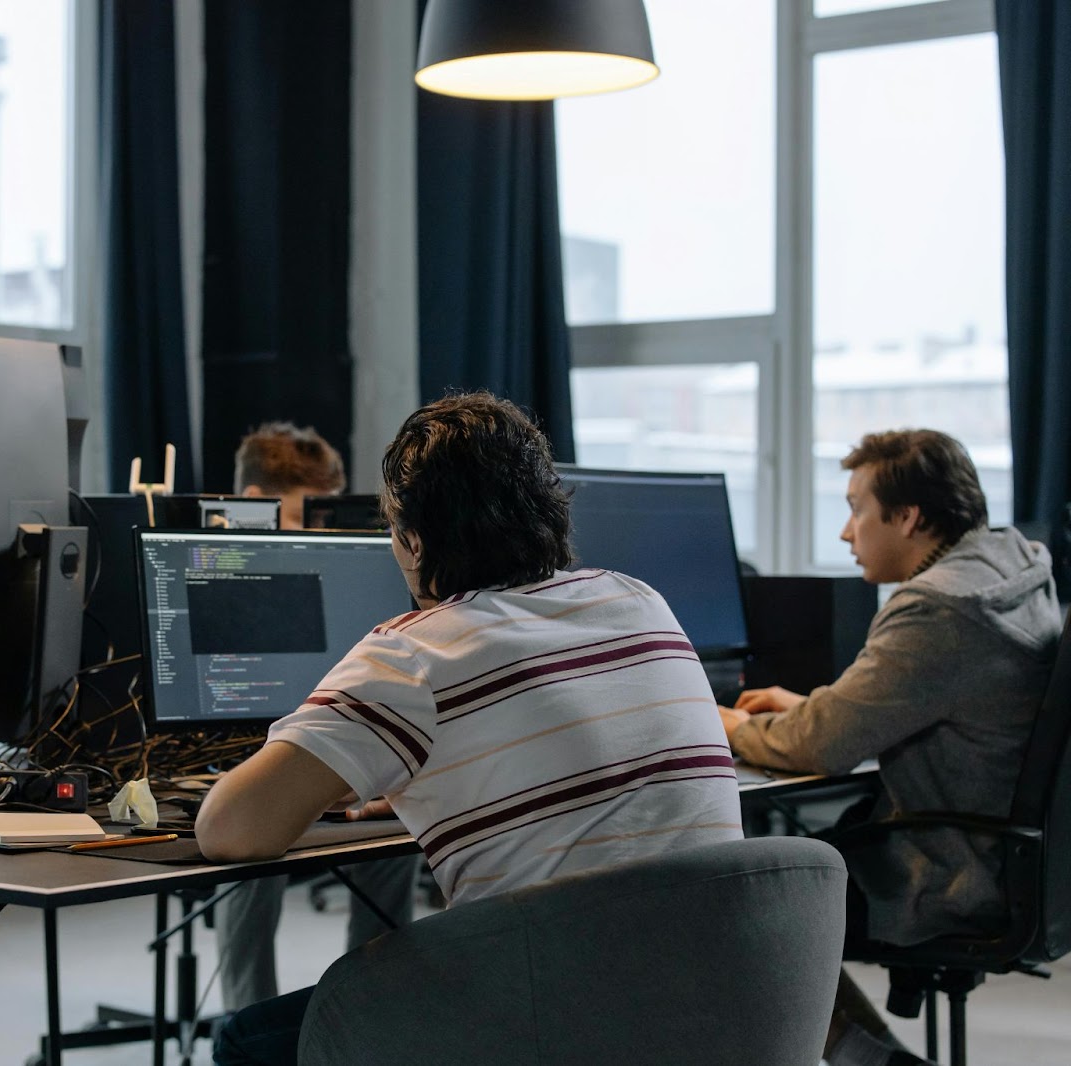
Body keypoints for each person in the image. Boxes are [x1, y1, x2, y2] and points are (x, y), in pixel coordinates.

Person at [200, 394, 742, 1064]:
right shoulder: (640, 600)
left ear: (414, 540)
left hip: (552, 1019)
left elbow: (229, 828)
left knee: (247, 1041)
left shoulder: (414, 655)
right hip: (713, 1005)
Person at [721, 428, 1060, 1066]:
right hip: (1011, 858)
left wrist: (723, 723)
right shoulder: (1011, 568)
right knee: (778, 883)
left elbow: (821, 748)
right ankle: (876, 1056)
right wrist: (811, 707)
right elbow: (940, 700)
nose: (847, 533)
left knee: (741, 897)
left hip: (948, 871)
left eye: (856, 510)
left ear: (907, 518)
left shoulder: (939, 609)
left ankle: (872, 1061)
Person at [211, 421, 421, 1013]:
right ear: (257, 504)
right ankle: (245, 1023)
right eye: (309, 514)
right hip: (243, 746)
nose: (321, 532)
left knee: (395, 835)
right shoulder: (215, 566)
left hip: (332, 739)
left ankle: (377, 1016)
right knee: (254, 852)